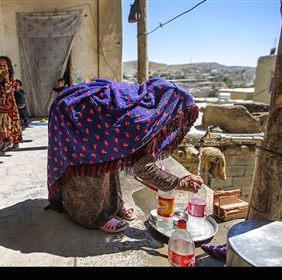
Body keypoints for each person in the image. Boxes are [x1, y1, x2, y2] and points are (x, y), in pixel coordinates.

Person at [45, 77, 204, 233]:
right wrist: (179, 183)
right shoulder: (142, 119)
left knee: (111, 157)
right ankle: (92, 215)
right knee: (89, 167)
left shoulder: (148, 106)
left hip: (95, 116)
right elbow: (143, 168)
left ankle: (113, 202)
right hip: (74, 116)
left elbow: (135, 159)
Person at [0, 56, 23, 151]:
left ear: (8, 67)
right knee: (2, 125)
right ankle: (6, 141)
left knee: (13, 124)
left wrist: (6, 79)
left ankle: (16, 142)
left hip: (11, 106)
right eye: (0, 65)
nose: (2, 67)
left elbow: (8, 90)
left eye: (4, 65)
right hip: (1, 106)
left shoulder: (12, 77)